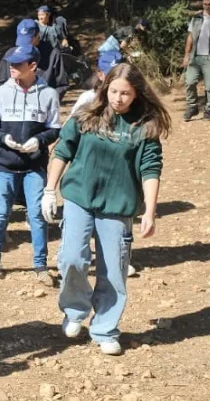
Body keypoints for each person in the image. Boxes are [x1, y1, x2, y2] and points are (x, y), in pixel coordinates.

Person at [44, 62, 169, 355]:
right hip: (79, 196)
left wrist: (150, 211)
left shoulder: (145, 126)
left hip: (117, 204)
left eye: (125, 93)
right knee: (73, 256)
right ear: (105, 88)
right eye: (113, 91)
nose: (118, 98)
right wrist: (50, 190)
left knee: (114, 269)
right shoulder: (88, 115)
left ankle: (104, 328)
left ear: (136, 93)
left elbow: (151, 169)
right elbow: (62, 150)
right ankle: (74, 311)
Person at [0, 43, 61, 284]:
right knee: (1, 213)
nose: (12, 68)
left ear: (33, 66)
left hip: (34, 166)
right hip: (6, 165)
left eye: (17, 64)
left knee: (37, 214)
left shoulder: (48, 94)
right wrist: (2, 138)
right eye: (10, 64)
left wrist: (39, 141)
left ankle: (40, 265)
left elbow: (55, 128)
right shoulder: (1, 93)